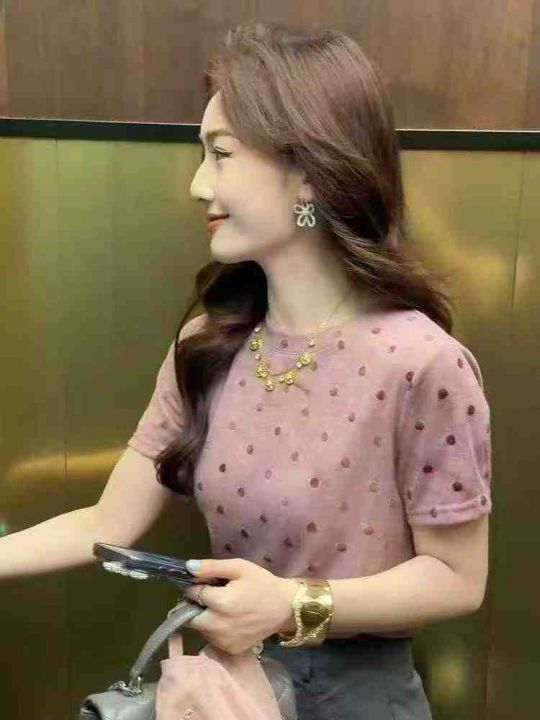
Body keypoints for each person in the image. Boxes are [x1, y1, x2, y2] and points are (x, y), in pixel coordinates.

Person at [0, 21, 492, 720]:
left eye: (221, 153)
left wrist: (292, 604)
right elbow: (104, 523)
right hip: (226, 693)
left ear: (309, 169)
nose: (197, 184)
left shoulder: (422, 362)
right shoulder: (208, 346)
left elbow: (457, 579)